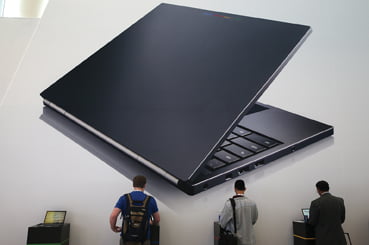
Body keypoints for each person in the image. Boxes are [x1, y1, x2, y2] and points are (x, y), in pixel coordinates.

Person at [110, 175, 160, 245]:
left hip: (126, 238)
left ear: (133, 184)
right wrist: (151, 223)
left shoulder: (124, 198)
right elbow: (157, 219)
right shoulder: (151, 200)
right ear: (145, 185)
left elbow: (113, 215)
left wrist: (114, 228)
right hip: (144, 239)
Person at [219, 179, 258, 245]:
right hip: (250, 241)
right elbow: (254, 220)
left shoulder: (229, 204)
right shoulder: (252, 203)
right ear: (245, 189)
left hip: (236, 241)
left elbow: (222, 223)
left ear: (235, 189)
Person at [308, 180, 346, 245]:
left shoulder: (315, 203)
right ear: (328, 188)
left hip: (324, 239)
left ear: (318, 189)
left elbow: (312, 222)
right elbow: (342, 219)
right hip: (339, 238)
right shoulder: (340, 200)